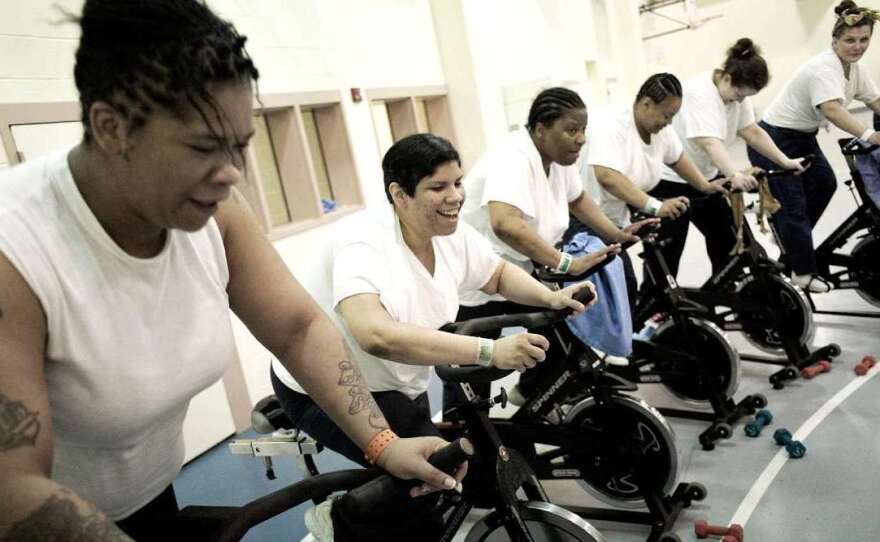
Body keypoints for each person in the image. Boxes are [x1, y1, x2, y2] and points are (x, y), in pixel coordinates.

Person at [0, 2, 460, 540]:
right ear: (111, 128)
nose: (231, 174)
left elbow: (298, 328)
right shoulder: (19, 248)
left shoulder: (217, 214)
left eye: (240, 146)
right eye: (203, 148)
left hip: (145, 495)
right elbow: (13, 485)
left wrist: (383, 443)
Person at [270, 133, 596, 541]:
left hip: (398, 380)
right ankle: (340, 517)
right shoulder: (363, 244)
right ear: (399, 194)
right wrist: (489, 351)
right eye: (438, 187)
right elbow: (375, 335)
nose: (456, 196)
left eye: (458, 182)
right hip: (325, 386)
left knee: (442, 475)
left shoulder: (449, 232)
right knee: (425, 487)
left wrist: (551, 295)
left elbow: (495, 275)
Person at [457, 87, 656, 406]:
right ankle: (471, 433)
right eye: (571, 130)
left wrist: (618, 235)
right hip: (475, 278)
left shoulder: (559, 159)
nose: (581, 139)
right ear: (540, 129)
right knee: (472, 372)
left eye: (583, 130)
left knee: (556, 342)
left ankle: (530, 400)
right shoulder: (514, 157)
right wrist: (565, 263)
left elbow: (578, 199)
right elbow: (505, 223)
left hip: (515, 269)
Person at [747, 0, 880, 293]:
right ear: (834, 40)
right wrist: (871, 135)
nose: (857, 46)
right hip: (774, 139)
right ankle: (802, 273)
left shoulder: (855, 69)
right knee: (793, 207)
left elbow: (876, 101)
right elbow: (832, 110)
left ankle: (789, 238)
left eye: (864, 40)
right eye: (849, 40)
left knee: (824, 183)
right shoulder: (824, 68)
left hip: (802, 137)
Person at [656, 38, 806, 283]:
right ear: (727, 77)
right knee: (667, 256)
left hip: (707, 178)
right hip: (670, 182)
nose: (739, 100)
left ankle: (727, 297)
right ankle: (657, 312)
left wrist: (785, 161)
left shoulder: (737, 95)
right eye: (737, 94)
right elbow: (709, 142)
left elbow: (752, 131)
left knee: (730, 244)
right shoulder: (698, 92)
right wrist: (735, 174)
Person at [579, 73, 736, 300]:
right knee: (620, 286)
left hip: (617, 214)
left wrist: (704, 186)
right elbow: (608, 176)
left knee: (646, 267)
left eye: (673, 116)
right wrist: (654, 206)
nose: (669, 122)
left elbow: (677, 158)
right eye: (667, 115)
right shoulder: (613, 125)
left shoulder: (660, 130)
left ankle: (656, 306)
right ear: (646, 104)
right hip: (589, 218)